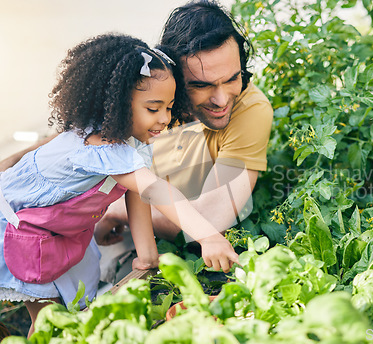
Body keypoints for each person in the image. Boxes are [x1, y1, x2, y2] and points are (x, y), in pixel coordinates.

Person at [0, 33, 238, 337]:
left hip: (58, 227)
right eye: (153, 109)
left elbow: (136, 192)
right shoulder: (98, 148)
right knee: (50, 321)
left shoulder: (130, 142)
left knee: (74, 308)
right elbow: (154, 189)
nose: (165, 118)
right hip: (21, 229)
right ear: (115, 105)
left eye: (169, 106)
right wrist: (209, 236)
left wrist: (147, 255)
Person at [93, 0, 274, 245]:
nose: (221, 101)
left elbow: (208, 222)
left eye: (233, 78)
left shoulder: (251, 108)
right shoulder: (147, 90)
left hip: (123, 226)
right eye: (201, 85)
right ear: (172, 75)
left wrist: (113, 210)